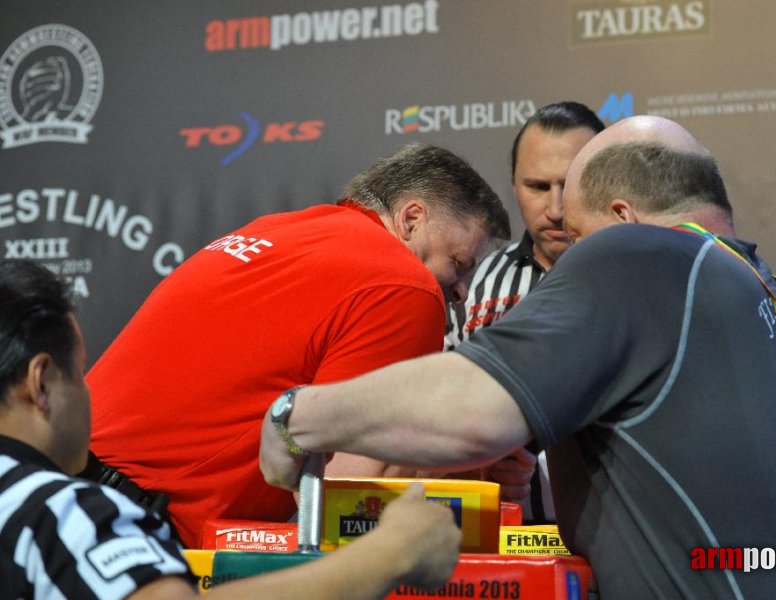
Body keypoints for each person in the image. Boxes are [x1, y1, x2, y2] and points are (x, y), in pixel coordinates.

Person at [259, 116, 776, 598]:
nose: (566, 258)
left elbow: (468, 411)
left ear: (621, 218)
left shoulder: (639, 252)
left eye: (577, 235)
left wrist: (300, 414)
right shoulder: (764, 289)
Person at [86, 143, 532, 549]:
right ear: (411, 219)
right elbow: (348, 503)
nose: (460, 293)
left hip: (52, 490)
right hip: (133, 532)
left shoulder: (282, 228)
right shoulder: (404, 282)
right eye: (458, 264)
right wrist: (477, 468)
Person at [0, 259, 461, 600]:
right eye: (80, 374)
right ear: (41, 383)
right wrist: (392, 553)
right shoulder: (63, 510)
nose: (88, 393)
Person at [445, 101, 603, 524]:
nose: (555, 208)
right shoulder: (473, 285)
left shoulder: (646, 280)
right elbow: (444, 410)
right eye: (536, 186)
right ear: (513, 185)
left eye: (570, 185)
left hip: (624, 548)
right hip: (509, 545)